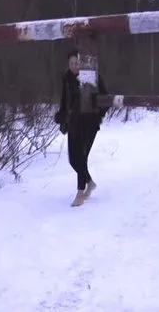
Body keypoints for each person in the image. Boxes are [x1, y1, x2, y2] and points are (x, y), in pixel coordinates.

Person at [54, 50, 109, 207]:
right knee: (73, 159)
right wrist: (61, 115)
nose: (74, 66)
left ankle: (80, 192)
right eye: (71, 63)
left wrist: (99, 113)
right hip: (73, 123)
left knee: (82, 157)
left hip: (89, 123)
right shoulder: (66, 79)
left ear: (82, 63)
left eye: (77, 63)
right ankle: (89, 182)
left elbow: (106, 98)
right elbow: (64, 101)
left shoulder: (91, 76)